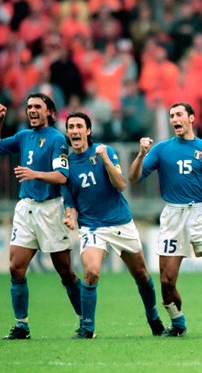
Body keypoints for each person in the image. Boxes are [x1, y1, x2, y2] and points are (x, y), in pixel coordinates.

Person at [129, 102, 202, 337]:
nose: (174, 119)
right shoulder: (162, 149)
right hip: (174, 215)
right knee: (167, 280)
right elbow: (134, 177)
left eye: (179, 115)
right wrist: (141, 154)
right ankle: (177, 323)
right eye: (171, 116)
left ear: (191, 118)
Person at [0, 93, 82, 340]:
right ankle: (21, 326)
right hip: (26, 208)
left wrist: (35, 174)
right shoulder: (23, 136)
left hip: (51, 209)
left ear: (49, 111)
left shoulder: (57, 139)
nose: (32, 111)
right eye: (29, 107)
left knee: (65, 272)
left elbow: (62, 176)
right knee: (16, 268)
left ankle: (86, 321)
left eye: (38, 106)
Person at [61, 112, 165, 339]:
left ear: (88, 131)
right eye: (71, 127)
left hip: (120, 222)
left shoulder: (105, 151)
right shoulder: (66, 164)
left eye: (79, 126)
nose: (75, 131)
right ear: (67, 132)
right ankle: (87, 328)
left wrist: (105, 160)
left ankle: (153, 317)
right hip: (92, 227)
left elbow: (121, 185)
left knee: (141, 274)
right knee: (91, 273)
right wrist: (70, 216)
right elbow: (69, 201)